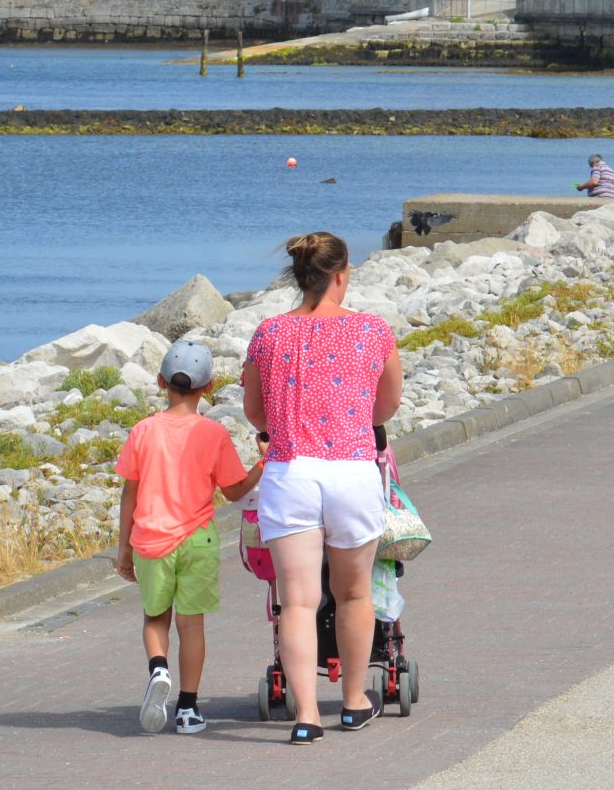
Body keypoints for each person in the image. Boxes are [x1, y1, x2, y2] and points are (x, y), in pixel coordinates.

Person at [243, 231, 404, 744]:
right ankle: (354, 702)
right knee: (354, 593)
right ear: (341, 274)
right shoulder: (372, 330)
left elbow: (255, 412)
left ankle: (307, 715)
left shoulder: (269, 333)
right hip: (351, 471)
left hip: (290, 473)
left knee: (297, 602)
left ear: (298, 276)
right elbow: (387, 405)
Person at [114, 339, 261, 734]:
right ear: (208, 386)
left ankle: (158, 668)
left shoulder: (143, 431)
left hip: (151, 540)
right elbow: (234, 490)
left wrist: (124, 546)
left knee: (155, 617)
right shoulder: (213, 434)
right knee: (192, 625)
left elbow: (129, 492)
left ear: (161, 382)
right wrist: (262, 465)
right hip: (198, 539)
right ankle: (188, 709)